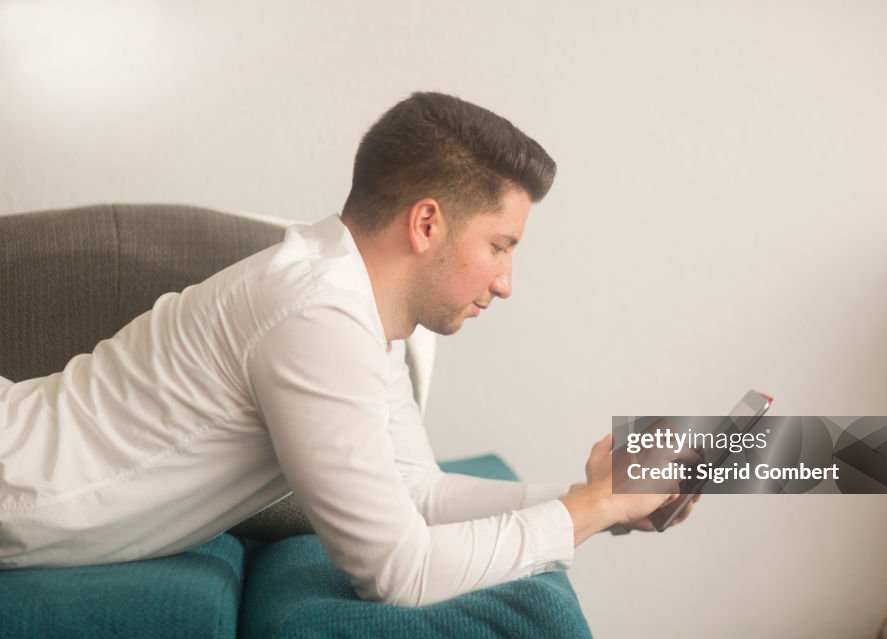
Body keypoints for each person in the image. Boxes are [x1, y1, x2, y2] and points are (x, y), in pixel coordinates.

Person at [0, 92, 694, 606]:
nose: (506, 283)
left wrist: (601, 497)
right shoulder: (316, 314)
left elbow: (416, 493)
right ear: (427, 222)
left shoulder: (354, 311)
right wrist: (592, 511)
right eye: (499, 246)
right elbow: (399, 572)